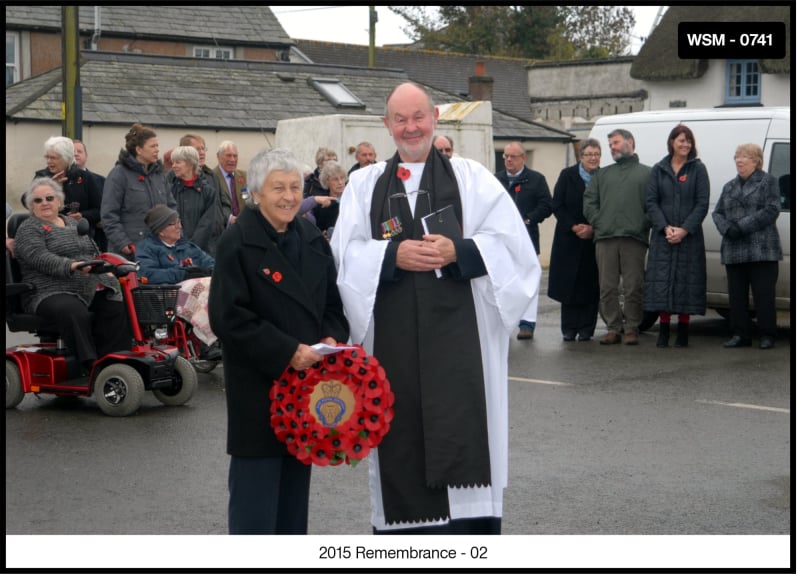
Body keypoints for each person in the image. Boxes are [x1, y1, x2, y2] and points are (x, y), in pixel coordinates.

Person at [331, 82, 539, 534]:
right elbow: (343, 258)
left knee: (466, 440)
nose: (411, 128)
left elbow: (514, 250)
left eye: (418, 117)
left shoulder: (473, 179)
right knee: (398, 438)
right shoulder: (363, 185)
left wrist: (459, 251)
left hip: (462, 344)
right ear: (387, 125)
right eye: (400, 120)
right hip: (393, 342)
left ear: (435, 119)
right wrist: (391, 256)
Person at [208, 148, 349, 534]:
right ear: (256, 193)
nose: (288, 196)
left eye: (294, 187)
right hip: (259, 388)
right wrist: (288, 351)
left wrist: (331, 339)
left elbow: (333, 303)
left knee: (292, 505)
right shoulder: (237, 242)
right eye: (278, 188)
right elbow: (228, 317)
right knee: (255, 506)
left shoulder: (312, 237)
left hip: (307, 387)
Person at [14, 177, 132, 371]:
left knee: (116, 303)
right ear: (31, 206)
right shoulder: (29, 229)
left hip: (87, 285)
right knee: (72, 310)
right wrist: (72, 265)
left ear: (59, 202)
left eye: (49, 198)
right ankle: (89, 364)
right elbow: (41, 258)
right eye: (38, 200)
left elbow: (92, 252)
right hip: (47, 290)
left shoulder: (72, 222)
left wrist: (106, 270)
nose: (44, 203)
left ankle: (114, 363)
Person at [644, 125, 710, 348]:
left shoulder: (698, 169)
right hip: (664, 236)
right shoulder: (658, 169)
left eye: (689, 141)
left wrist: (684, 229)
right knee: (662, 283)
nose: (685, 145)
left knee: (686, 283)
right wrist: (664, 227)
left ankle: (683, 331)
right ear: (672, 142)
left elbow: (702, 204)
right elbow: (651, 202)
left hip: (688, 237)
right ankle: (663, 330)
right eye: (681, 140)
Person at [583, 129, 651, 345]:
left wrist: (643, 223)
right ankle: (613, 327)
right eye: (610, 144)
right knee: (607, 287)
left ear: (629, 142)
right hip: (605, 238)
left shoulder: (647, 174)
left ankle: (631, 327)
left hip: (634, 238)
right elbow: (589, 201)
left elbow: (654, 204)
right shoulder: (602, 175)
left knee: (633, 286)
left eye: (615, 142)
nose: (612, 147)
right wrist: (599, 221)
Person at [712, 143, 782, 350]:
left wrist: (741, 227)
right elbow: (717, 213)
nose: (740, 161)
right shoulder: (729, 186)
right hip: (734, 249)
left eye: (745, 157)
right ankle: (740, 334)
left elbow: (772, 209)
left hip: (762, 250)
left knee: (764, 296)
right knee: (737, 296)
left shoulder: (769, 181)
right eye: (737, 157)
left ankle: (767, 334)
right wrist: (727, 228)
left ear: (756, 160)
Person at [136, 205, 220, 360]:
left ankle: (220, 333)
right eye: (173, 224)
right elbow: (145, 273)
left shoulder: (187, 246)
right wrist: (182, 273)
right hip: (166, 296)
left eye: (179, 222)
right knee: (201, 288)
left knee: (216, 285)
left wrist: (207, 271)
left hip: (195, 291)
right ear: (160, 230)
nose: (179, 226)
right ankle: (205, 343)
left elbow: (211, 263)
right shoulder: (147, 248)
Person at [495, 141, 552, 340]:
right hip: (502, 241)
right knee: (503, 283)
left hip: (527, 240)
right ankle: (503, 322)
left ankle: (527, 324)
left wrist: (529, 219)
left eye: (513, 156)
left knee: (527, 281)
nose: (508, 160)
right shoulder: (496, 180)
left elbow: (546, 205)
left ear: (523, 158)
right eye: (506, 156)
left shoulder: (536, 180)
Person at [547, 139, 602, 341]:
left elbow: (608, 208)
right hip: (569, 238)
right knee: (569, 283)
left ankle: (587, 328)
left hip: (594, 239)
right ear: (581, 157)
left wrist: (593, 229)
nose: (593, 158)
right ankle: (569, 328)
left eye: (597, 154)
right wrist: (573, 226)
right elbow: (557, 204)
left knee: (591, 284)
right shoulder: (567, 175)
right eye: (589, 154)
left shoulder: (603, 177)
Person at [101, 123, 175, 255]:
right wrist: (122, 243)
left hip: (159, 249)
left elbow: (171, 208)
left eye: (157, 146)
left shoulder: (160, 176)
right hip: (130, 252)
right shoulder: (119, 175)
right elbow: (109, 215)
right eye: (152, 146)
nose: (157, 150)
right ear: (139, 150)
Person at [32, 136, 104, 245]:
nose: (48, 161)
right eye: (47, 157)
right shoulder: (42, 176)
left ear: (66, 159)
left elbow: (100, 209)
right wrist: (50, 187)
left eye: (53, 158)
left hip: (80, 238)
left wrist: (83, 215)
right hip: (48, 236)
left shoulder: (85, 178)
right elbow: (26, 201)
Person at [168, 145, 224, 256]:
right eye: (172, 162)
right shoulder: (170, 190)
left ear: (190, 164)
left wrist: (191, 247)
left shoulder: (208, 192)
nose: (173, 166)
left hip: (203, 253)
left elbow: (207, 223)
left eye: (178, 162)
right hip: (176, 251)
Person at [73, 139, 108, 251]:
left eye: (79, 151)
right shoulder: (59, 181)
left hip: (96, 237)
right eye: (72, 151)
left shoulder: (101, 181)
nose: (75, 154)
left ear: (86, 156)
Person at [213, 140, 248, 226]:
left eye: (235, 156)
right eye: (228, 155)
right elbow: (214, 206)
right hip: (222, 228)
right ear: (218, 156)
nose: (232, 159)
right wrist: (229, 218)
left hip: (244, 225)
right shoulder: (211, 177)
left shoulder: (244, 176)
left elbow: (248, 199)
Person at [312, 161, 346, 237]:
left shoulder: (352, 200)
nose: (340, 182)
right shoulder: (321, 203)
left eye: (342, 178)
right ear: (327, 182)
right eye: (335, 179)